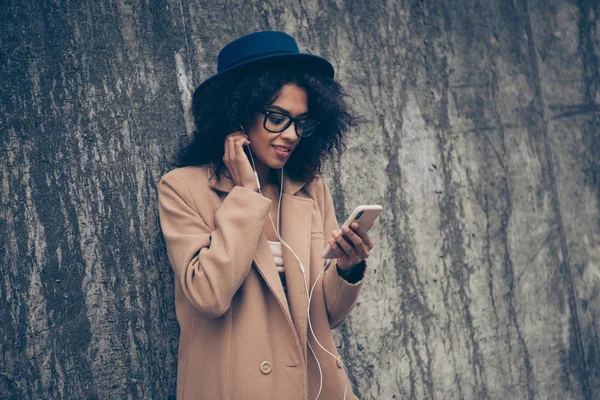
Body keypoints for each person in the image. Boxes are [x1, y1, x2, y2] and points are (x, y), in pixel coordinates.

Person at [158, 31, 374, 400]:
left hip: (315, 385)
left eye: (301, 123)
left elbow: (325, 315)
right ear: (237, 112)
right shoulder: (183, 188)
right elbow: (208, 295)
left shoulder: (309, 187)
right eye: (277, 118)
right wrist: (244, 194)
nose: (291, 135)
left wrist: (347, 269)